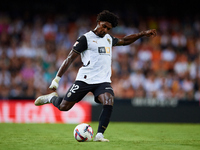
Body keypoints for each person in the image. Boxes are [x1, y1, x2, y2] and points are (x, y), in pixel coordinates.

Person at [34, 10, 157, 142]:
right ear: (98, 22)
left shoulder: (108, 39)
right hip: (84, 80)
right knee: (64, 107)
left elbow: (125, 40)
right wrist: (57, 79)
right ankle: (51, 98)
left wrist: (142, 34)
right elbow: (69, 59)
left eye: (108, 28)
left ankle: (99, 135)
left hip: (102, 82)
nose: (105, 30)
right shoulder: (85, 39)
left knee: (109, 100)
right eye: (104, 26)